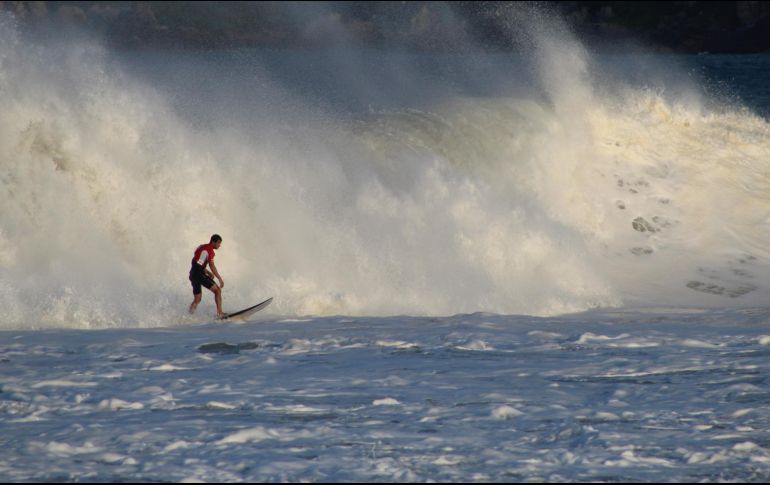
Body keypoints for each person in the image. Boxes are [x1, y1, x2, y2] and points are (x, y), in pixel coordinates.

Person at [189, 234, 225, 318]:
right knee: (218, 291)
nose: (219, 245)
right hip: (199, 274)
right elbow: (212, 265)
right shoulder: (209, 251)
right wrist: (219, 278)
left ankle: (189, 315)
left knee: (197, 299)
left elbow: (197, 262)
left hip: (193, 274)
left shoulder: (202, 247)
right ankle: (220, 314)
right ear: (213, 242)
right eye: (219, 243)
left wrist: (207, 272)